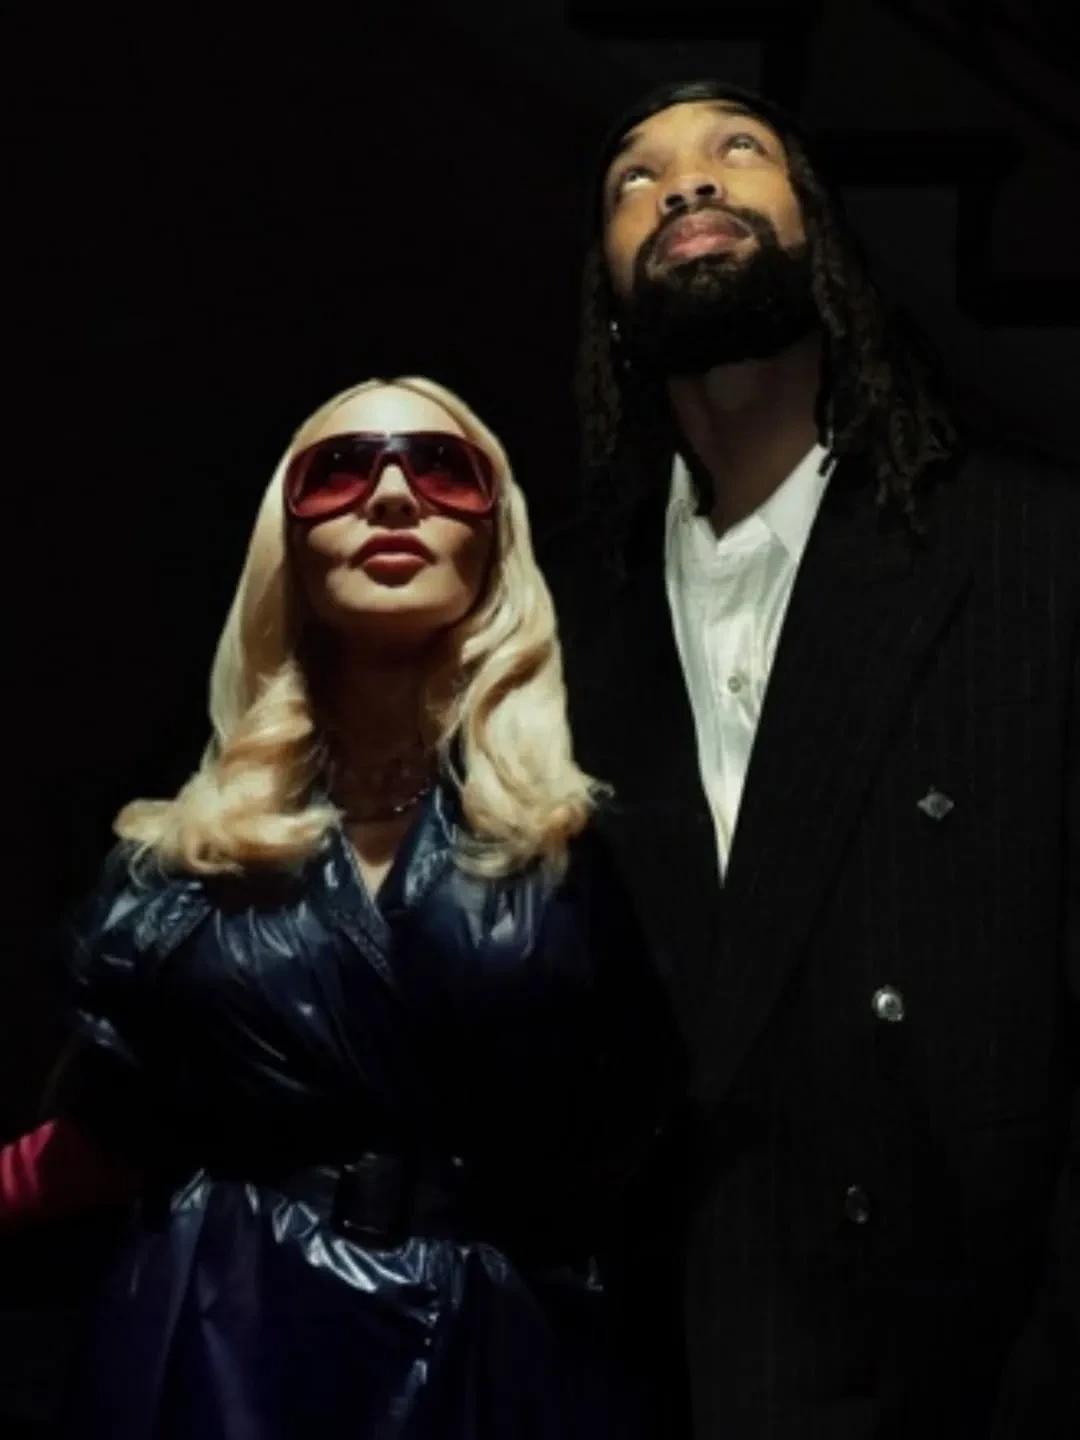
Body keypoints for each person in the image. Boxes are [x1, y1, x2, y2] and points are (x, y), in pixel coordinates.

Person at [541, 78, 1080, 1438]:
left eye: (739, 150)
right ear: (608, 292)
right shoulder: (561, 613)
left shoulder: (1021, 548)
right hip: (671, 1350)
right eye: (635, 178)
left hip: (964, 1347)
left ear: (821, 236)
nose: (687, 181)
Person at [0, 376, 684, 1439]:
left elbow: (654, 1125)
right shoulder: (189, 851)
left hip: (493, 1353)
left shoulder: (593, 832)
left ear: (495, 534)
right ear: (288, 540)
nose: (394, 495)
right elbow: (102, 1134)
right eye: (340, 472)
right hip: (224, 1342)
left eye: (443, 469)